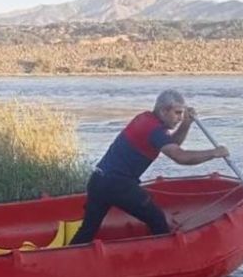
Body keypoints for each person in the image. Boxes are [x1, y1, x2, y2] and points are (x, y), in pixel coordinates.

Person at [69, 89, 229, 245]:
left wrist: (187, 123)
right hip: (118, 184)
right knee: (158, 220)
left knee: (87, 230)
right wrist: (213, 153)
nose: (180, 118)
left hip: (98, 180)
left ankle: (68, 261)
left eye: (181, 114)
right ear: (163, 111)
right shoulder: (154, 130)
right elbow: (179, 156)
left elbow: (172, 144)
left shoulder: (146, 119)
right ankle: (164, 260)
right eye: (177, 113)